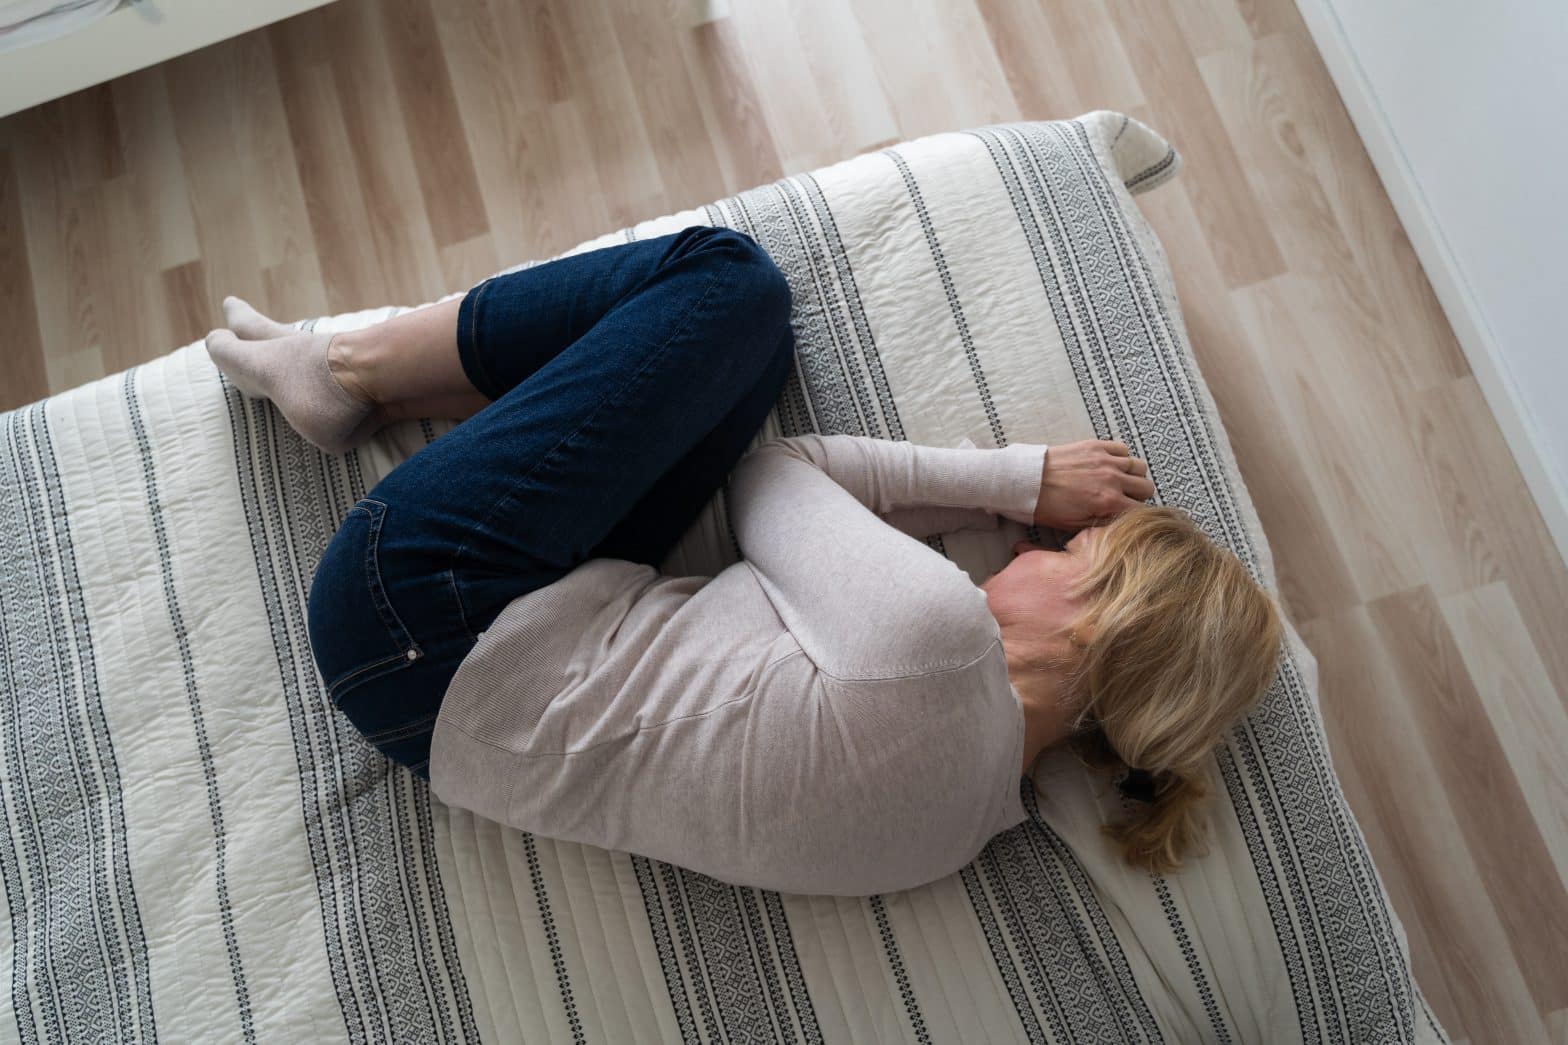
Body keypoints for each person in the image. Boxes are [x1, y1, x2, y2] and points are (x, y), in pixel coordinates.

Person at [205, 225, 1282, 895]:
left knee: (732, 288)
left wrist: (1016, 479)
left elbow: (775, 475)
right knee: (750, 362)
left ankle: (345, 363)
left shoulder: (939, 641)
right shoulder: (969, 825)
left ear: (1099, 613)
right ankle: (371, 381)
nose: (1030, 544)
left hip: (421, 609)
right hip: (452, 717)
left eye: (1068, 547)